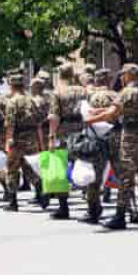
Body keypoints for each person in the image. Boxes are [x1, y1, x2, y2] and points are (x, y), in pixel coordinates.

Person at [86, 64, 138, 229]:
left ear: (129, 75)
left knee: (125, 176)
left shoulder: (126, 92)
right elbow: (121, 109)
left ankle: (120, 215)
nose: (121, 77)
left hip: (131, 137)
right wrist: (98, 112)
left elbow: (112, 113)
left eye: (123, 74)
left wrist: (90, 119)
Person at [48, 62, 87, 220]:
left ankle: (63, 207)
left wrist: (51, 137)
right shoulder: (83, 90)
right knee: (86, 165)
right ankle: (93, 205)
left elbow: (54, 116)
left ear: (59, 74)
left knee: (58, 168)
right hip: (82, 131)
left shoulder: (57, 92)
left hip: (63, 133)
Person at [79, 69, 119, 224]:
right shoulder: (115, 95)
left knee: (95, 177)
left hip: (96, 140)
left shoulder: (90, 97)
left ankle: (93, 210)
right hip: (115, 136)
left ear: (96, 80)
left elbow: (85, 116)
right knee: (121, 174)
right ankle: (131, 209)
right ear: (109, 80)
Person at [3, 73, 44, 212]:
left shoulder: (12, 102)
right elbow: (38, 122)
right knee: (29, 166)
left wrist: (7, 142)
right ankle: (39, 187)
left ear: (11, 85)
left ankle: (12, 201)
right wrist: (40, 142)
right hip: (31, 137)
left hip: (17, 138)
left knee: (12, 169)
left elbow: (10, 124)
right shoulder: (32, 101)